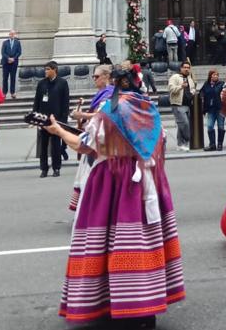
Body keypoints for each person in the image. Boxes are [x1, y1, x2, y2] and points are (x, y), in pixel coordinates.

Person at [45, 65, 185, 326]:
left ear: (116, 84)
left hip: (112, 183)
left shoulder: (109, 111)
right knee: (145, 242)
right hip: (146, 182)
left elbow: (84, 145)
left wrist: (59, 131)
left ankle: (113, 304)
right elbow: (160, 145)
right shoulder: (149, 110)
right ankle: (145, 306)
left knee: (108, 243)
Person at [69, 65, 114, 213]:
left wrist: (81, 115)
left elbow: (101, 115)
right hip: (94, 139)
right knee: (87, 175)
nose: (94, 79)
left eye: (96, 76)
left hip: (103, 142)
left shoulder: (110, 94)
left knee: (94, 177)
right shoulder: (101, 93)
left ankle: (97, 209)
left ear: (106, 77)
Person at [34, 61, 70, 177]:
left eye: (48, 69)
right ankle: (44, 168)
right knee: (43, 147)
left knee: (56, 146)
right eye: (45, 69)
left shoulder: (62, 83)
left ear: (54, 70)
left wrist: (63, 121)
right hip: (43, 120)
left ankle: (56, 168)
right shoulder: (41, 84)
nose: (45, 71)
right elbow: (37, 102)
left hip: (57, 120)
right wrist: (36, 119)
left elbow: (65, 103)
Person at [168, 61, 196, 152]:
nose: (186, 69)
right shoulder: (175, 77)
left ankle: (180, 144)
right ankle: (186, 141)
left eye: (188, 67)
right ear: (181, 68)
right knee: (185, 123)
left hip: (187, 104)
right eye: (185, 67)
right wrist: (181, 86)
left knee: (181, 125)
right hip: (178, 104)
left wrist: (193, 92)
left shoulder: (190, 78)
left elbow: (192, 89)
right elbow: (171, 89)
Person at [200, 69, 225, 151]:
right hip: (210, 108)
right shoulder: (206, 84)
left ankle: (220, 144)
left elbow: (222, 93)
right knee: (210, 126)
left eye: (217, 75)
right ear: (210, 76)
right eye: (213, 75)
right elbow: (201, 92)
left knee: (220, 126)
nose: (215, 76)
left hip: (220, 108)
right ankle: (212, 144)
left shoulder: (221, 84)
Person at [0, 29, 22, 99]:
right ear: (9, 35)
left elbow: (19, 52)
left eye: (13, 34)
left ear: (15, 35)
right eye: (11, 34)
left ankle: (12, 93)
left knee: (13, 78)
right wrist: (8, 58)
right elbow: (3, 52)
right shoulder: (5, 42)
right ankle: (4, 93)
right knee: (5, 78)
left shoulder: (17, 42)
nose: (12, 35)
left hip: (14, 63)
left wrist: (13, 58)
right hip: (6, 63)